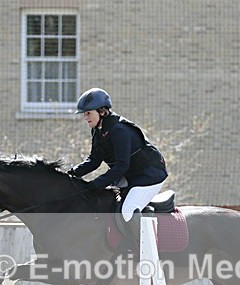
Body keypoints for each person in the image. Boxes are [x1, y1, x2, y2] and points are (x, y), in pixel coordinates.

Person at [69, 88, 167, 238]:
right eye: (84, 113)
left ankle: (146, 252)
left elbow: (121, 165)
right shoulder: (98, 130)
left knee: (128, 211)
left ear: (101, 111)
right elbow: (94, 161)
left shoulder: (119, 130)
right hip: (130, 175)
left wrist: (94, 184)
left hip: (149, 175)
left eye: (88, 113)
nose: (85, 117)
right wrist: (71, 173)